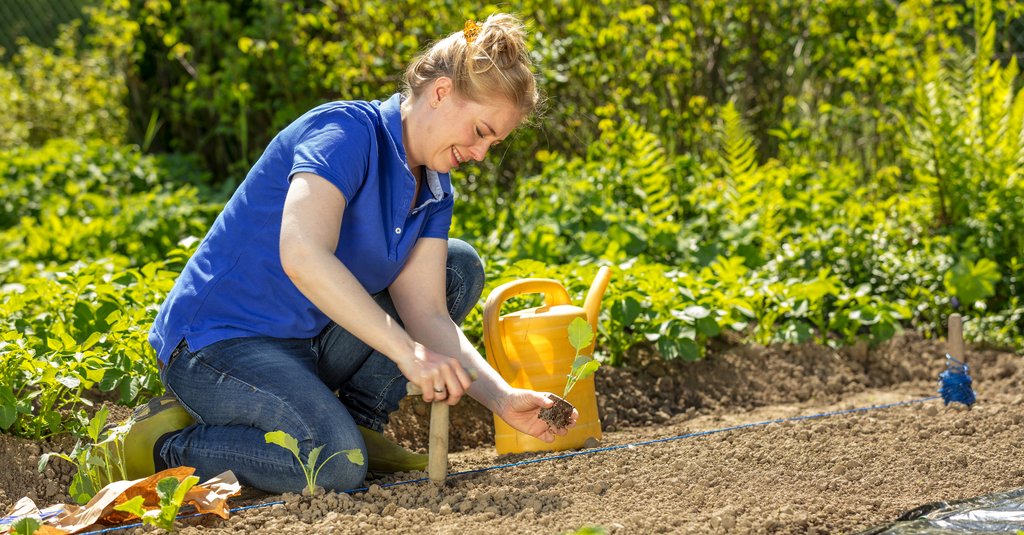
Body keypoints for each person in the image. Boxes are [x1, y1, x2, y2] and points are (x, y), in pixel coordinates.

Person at [117, 14, 577, 494]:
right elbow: (302, 253)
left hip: (305, 344)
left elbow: (427, 315)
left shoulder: (436, 189)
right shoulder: (345, 133)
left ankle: (356, 426)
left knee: (454, 268)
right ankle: (163, 447)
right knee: (334, 465)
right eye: (480, 131)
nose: (481, 153)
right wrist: (407, 353)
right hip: (219, 343)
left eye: (493, 143)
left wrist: (501, 398)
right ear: (441, 93)